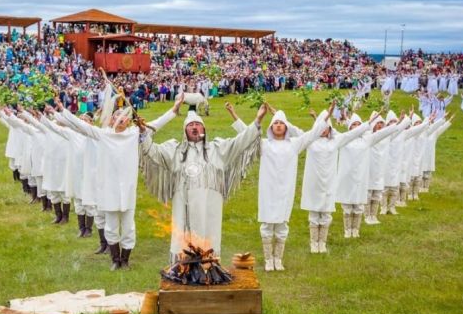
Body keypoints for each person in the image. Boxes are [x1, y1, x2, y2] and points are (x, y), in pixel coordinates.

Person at [56, 89, 180, 271]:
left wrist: (173, 109)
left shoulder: (134, 134)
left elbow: (156, 124)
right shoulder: (103, 134)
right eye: (117, 117)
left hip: (128, 189)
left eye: (125, 117)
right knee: (112, 226)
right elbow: (81, 126)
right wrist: (62, 110)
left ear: (129, 120)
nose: (121, 120)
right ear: (112, 120)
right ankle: (115, 259)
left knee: (128, 227)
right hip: (109, 189)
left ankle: (126, 260)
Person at [140, 99, 264, 265]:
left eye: (198, 125)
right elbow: (152, 151)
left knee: (208, 236)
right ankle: (184, 267)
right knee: (184, 237)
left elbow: (239, 142)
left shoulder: (217, 149)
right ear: (185, 130)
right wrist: (143, 132)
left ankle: (208, 266)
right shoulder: (175, 151)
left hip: (209, 203)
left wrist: (257, 121)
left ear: (204, 128)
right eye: (190, 125)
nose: (194, 128)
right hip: (183, 204)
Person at [253, 101, 335, 271]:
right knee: (267, 224)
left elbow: (313, 134)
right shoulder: (264, 144)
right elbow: (246, 136)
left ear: (286, 127)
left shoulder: (295, 144)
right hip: (268, 191)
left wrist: (327, 115)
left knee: (282, 224)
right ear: (270, 127)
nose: (278, 125)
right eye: (275, 123)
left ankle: (278, 259)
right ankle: (268, 260)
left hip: (285, 191)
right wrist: (258, 118)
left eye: (281, 123)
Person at [300, 107, 370, 253]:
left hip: (329, 182)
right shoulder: (309, 142)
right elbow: (294, 130)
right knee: (314, 212)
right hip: (313, 182)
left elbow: (352, 134)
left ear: (330, 129)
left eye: (326, 128)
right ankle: (314, 243)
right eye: (321, 127)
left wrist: (371, 121)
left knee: (325, 212)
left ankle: (322, 243)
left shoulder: (336, 141)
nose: (323, 130)